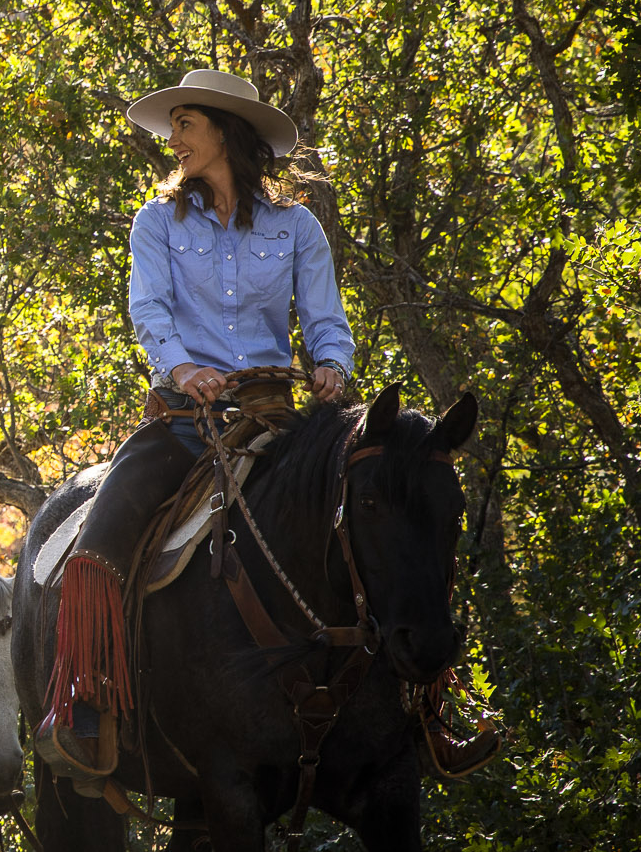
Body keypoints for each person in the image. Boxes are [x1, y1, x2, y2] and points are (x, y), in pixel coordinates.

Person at [36, 68, 493, 780]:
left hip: (280, 418)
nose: (174, 139)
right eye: (175, 125)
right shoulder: (156, 222)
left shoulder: (296, 227)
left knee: (396, 517)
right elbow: (149, 312)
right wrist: (184, 370)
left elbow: (325, 319)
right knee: (100, 536)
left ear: (226, 131)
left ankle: (428, 711)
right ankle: (89, 704)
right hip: (187, 421)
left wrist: (332, 368)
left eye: (186, 123)